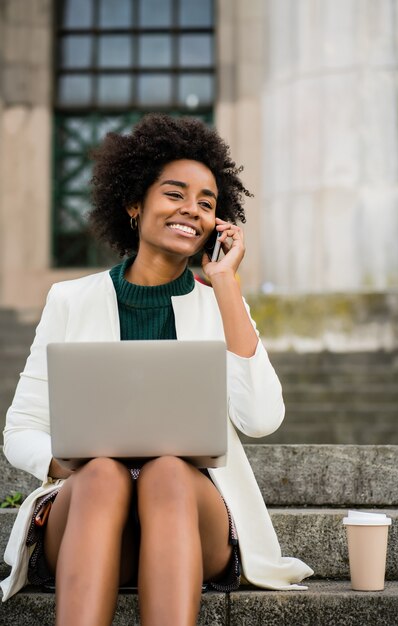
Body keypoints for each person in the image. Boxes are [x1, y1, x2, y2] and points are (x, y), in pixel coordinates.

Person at [1, 114, 313, 625]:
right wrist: (72, 462)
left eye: (207, 202)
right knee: (103, 473)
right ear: (133, 204)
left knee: (169, 468)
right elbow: (20, 432)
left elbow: (261, 419)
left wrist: (228, 286)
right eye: (174, 193)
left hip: (190, 521)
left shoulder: (221, 304)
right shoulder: (70, 300)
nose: (191, 208)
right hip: (89, 520)